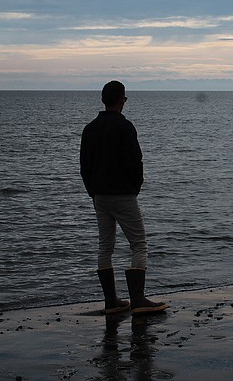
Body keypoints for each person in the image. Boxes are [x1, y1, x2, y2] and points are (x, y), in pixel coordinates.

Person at [80, 81, 167, 315]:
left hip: (99, 195)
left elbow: (84, 166)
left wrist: (92, 191)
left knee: (105, 246)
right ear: (122, 100)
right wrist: (135, 187)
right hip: (123, 194)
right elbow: (135, 161)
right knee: (138, 243)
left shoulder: (90, 128)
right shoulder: (124, 126)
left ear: (103, 100)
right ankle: (137, 299)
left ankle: (111, 301)